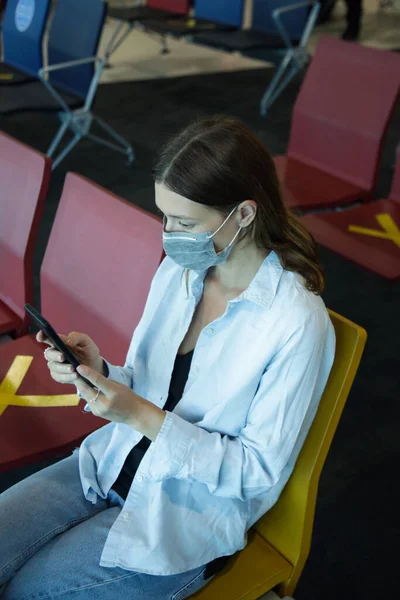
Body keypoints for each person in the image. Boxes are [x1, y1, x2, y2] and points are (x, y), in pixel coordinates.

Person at [0, 116, 336, 599]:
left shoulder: (297, 322)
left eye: (184, 222)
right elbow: (151, 384)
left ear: (243, 214)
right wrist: (101, 372)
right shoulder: (181, 272)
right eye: (164, 217)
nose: (168, 234)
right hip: (109, 463)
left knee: (26, 592)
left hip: (182, 521)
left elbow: (255, 473)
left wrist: (141, 415)